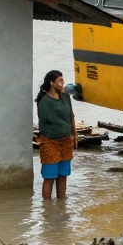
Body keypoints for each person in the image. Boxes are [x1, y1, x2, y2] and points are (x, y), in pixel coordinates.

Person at [35, 70, 76, 200]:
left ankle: (61, 205)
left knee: (63, 175)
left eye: (63, 80)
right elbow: (43, 124)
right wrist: (45, 140)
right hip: (50, 142)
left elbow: (71, 116)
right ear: (52, 83)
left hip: (66, 141)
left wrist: (74, 135)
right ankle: (47, 208)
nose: (63, 83)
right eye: (60, 81)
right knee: (50, 177)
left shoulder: (65, 97)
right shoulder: (45, 102)